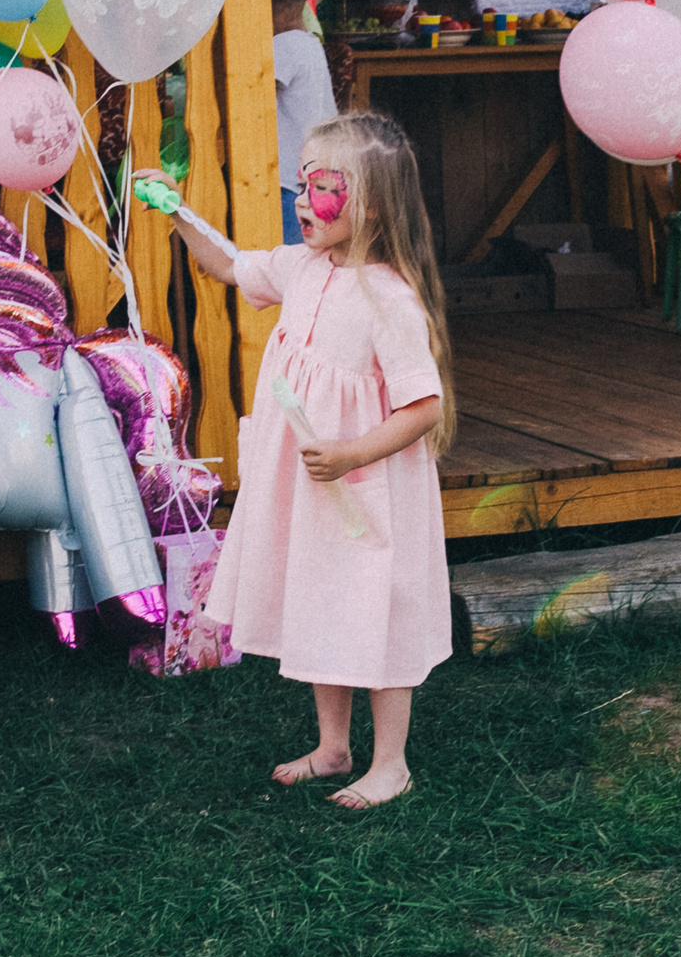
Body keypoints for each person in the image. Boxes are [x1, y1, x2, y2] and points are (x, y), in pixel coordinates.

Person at [147, 110, 454, 811]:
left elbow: (423, 407)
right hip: (314, 487)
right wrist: (177, 210)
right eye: (302, 181)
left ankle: (392, 762)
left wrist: (350, 452)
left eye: (322, 185)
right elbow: (227, 262)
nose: (301, 199)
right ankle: (334, 746)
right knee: (325, 601)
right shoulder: (302, 268)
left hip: (367, 491)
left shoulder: (390, 300)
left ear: (370, 203)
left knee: (379, 612)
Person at [270, 0, 336, 241]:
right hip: (316, 177)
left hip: (288, 183)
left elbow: (253, 99)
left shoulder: (282, 47)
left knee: (290, 261)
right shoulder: (309, 43)